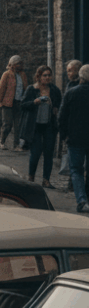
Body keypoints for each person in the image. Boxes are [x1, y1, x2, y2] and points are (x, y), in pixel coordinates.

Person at [20, 65, 62, 188]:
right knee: (36, 152)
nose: (47, 77)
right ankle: (31, 178)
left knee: (49, 153)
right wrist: (35, 102)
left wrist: (55, 109)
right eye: (45, 75)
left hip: (49, 125)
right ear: (39, 76)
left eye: (49, 75)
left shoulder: (54, 90)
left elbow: (59, 104)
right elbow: (23, 105)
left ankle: (46, 180)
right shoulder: (31, 89)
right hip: (35, 126)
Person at [60, 64, 89, 212]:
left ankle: (82, 199)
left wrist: (64, 135)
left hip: (75, 138)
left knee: (76, 170)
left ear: (81, 77)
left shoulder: (71, 93)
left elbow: (62, 117)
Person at [0, 55, 28, 152]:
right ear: (13, 65)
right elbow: (1, 88)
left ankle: (16, 145)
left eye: (21, 63)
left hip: (19, 102)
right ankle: (2, 141)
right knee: (7, 124)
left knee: (18, 125)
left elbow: (25, 88)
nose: (20, 65)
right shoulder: (6, 74)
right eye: (18, 63)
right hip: (8, 103)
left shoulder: (23, 75)